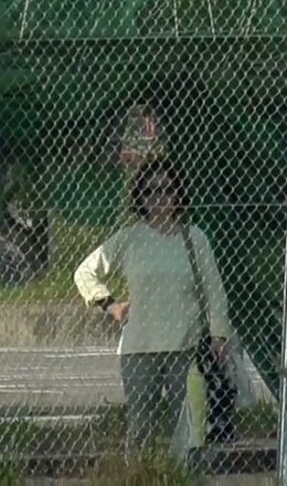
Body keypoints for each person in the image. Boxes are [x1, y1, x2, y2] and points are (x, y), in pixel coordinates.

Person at [73, 159, 237, 458]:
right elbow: (85, 272)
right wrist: (110, 305)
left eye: (166, 189)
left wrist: (219, 334)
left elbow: (215, 290)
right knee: (140, 426)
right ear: (140, 196)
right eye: (150, 191)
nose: (158, 198)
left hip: (185, 346)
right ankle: (139, 475)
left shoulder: (194, 238)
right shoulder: (129, 238)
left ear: (178, 194)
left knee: (186, 427)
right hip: (139, 346)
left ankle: (184, 477)